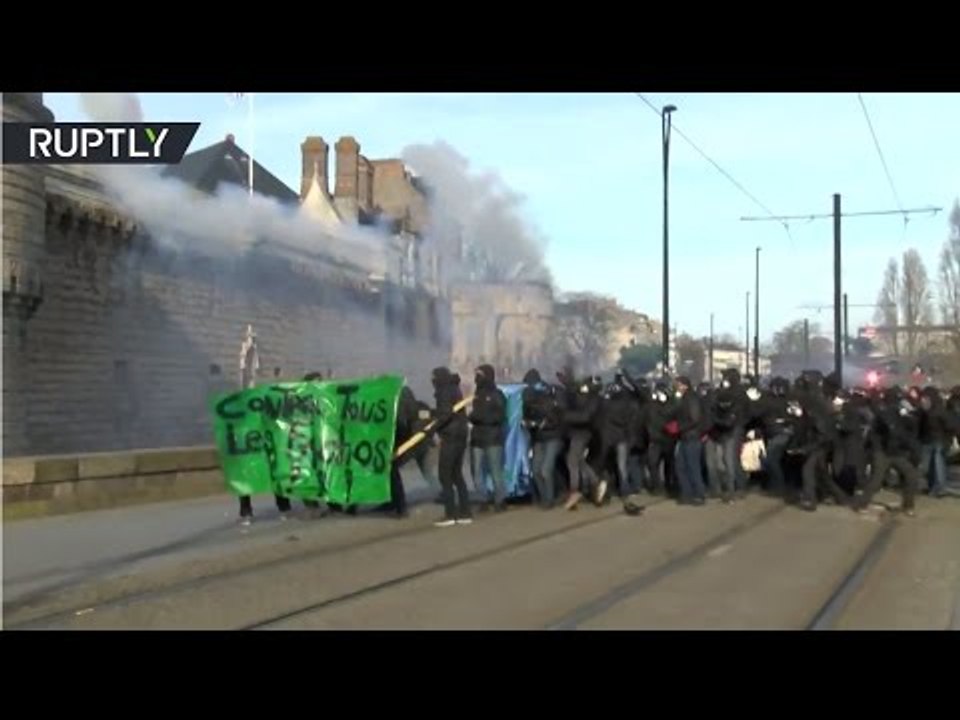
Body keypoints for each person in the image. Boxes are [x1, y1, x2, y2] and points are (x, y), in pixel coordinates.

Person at [854, 386, 919, 516]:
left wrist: (909, 414)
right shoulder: (884, 412)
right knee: (876, 480)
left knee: (911, 475)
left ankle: (908, 505)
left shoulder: (899, 411)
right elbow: (891, 428)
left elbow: (911, 425)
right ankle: (862, 504)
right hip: (882, 451)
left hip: (895, 452)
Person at [431, 367, 473, 527]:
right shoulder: (455, 388)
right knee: (457, 474)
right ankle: (465, 512)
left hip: (450, 436)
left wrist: (431, 428)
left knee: (445, 475)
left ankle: (450, 514)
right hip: (461, 435)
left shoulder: (444, 391)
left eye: (433, 377)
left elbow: (445, 414)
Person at [522, 369, 565, 509]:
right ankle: (544, 498)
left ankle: (549, 500)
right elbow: (527, 417)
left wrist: (543, 423)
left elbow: (558, 418)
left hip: (553, 437)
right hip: (539, 438)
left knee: (546, 470)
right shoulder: (529, 400)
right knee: (535, 471)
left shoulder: (550, 396)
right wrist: (529, 423)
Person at [468, 364, 509, 513]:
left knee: (495, 471)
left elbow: (501, 416)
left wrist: (480, 417)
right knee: (476, 471)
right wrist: (473, 417)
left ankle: (500, 500)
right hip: (477, 439)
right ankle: (482, 499)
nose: (476, 378)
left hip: (493, 438)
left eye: (479, 374)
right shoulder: (477, 395)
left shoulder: (497, 394)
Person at [561, 374, 601, 510]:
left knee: (572, 461)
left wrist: (566, 416)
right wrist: (568, 385)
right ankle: (595, 482)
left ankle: (575, 491)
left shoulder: (594, 399)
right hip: (577, 433)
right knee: (579, 461)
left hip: (582, 433)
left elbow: (585, 417)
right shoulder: (588, 397)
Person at [918, 386, 958, 498]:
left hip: (939, 441)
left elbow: (952, 425)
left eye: (925, 398)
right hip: (927, 441)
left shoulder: (940, 411)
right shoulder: (924, 412)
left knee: (938, 465)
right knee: (928, 467)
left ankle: (940, 488)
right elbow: (921, 427)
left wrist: (949, 439)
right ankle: (932, 486)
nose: (923, 401)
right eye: (922, 398)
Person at [673, 376, 707, 505]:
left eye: (678, 385)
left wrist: (679, 427)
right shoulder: (684, 398)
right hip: (685, 436)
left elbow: (695, 418)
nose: (676, 387)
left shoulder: (692, 398)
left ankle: (699, 494)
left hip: (691, 436)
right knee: (681, 466)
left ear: (685, 385)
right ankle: (687, 493)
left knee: (693, 466)